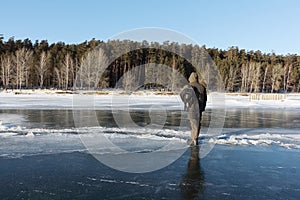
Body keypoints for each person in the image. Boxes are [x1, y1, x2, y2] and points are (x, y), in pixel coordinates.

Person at [180, 72, 207, 146]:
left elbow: (182, 95)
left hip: (191, 107)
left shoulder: (189, 86)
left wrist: (186, 103)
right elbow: (205, 99)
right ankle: (195, 137)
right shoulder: (202, 87)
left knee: (193, 122)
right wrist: (203, 107)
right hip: (200, 108)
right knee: (198, 123)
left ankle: (194, 139)